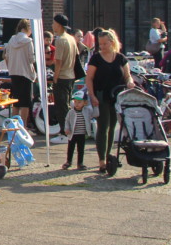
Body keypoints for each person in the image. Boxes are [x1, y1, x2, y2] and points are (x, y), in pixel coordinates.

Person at [84, 28, 134, 172]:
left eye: (105, 44)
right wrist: (92, 95)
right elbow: (89, 78)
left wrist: (130, 82)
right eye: (100, 44)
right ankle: (102, 160)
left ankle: (108, 155)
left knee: (113, 126)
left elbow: (127, 75)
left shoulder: (120, 58)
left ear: (112, 43)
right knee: (103, 126)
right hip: (101, 95)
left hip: (117, 96)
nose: (102, 47)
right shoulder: (96, 58)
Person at [5, 19, 36, 125]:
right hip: (26, 73)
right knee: (25, 103)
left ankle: (13, 128)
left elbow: (6, 56)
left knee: (16, 102)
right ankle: (24, 128)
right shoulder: (28, 41)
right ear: (27, 28)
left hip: (14, 73)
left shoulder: (11, 39)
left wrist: (10, 67)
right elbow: (31, 59)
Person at [51, 14, 79, 134]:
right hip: (71, 75)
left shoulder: (61, 40)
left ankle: (64, 133)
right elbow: (77, 56)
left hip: (62, 76)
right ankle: (69, 130)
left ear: (58, 24)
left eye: (53, 23)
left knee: (61, 107)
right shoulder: (71, 38)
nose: (52, 25)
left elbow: (58, 61)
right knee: (67, 105)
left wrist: (55, 78)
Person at [62, 90, 94, 170]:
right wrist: (67, 129)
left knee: (81, 149)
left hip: (82, 134)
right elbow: (67, 121)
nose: (76, 104)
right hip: (72, 133)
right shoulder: (71, 112)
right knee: (70, 148)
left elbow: (94, 113)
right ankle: (68, 161)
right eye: (75, 102)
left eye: (79, 102)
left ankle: (80, 163)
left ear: (85, 103)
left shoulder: (87, 111)